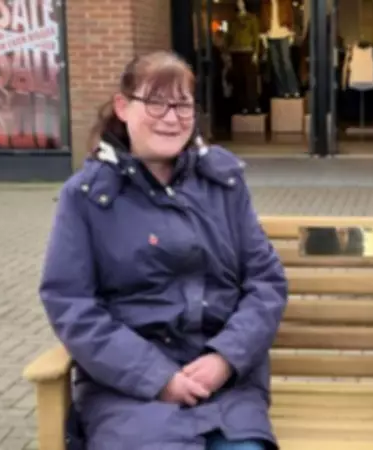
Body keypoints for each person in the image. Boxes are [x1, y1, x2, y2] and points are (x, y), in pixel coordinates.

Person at [38, 51, 288, 450]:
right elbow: (71, 303)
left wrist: (225, 358)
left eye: (182, 103)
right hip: (127, 391)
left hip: (225, 386)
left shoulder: (224, 185)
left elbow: (266, 282)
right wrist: (156, 377)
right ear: (123, 107)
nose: (171, 117)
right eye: (156, 102)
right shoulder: (86, 198)